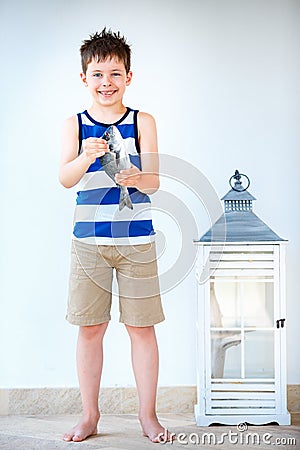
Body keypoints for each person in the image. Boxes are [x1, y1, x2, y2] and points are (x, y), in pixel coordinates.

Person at [59, 28, 170, 443]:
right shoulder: (74, 124)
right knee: (90, 329)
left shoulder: (144, 121)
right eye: (97, 74)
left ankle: (148, 415)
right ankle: (90, 415)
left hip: (137, 241)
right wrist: (85, 157)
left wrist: (140, 176)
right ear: (84, 78)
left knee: (142, 329)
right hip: (87, 243)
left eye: (115, 73)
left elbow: (156, 180)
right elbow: (64, 179)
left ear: (129, 77)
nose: (106, 82)